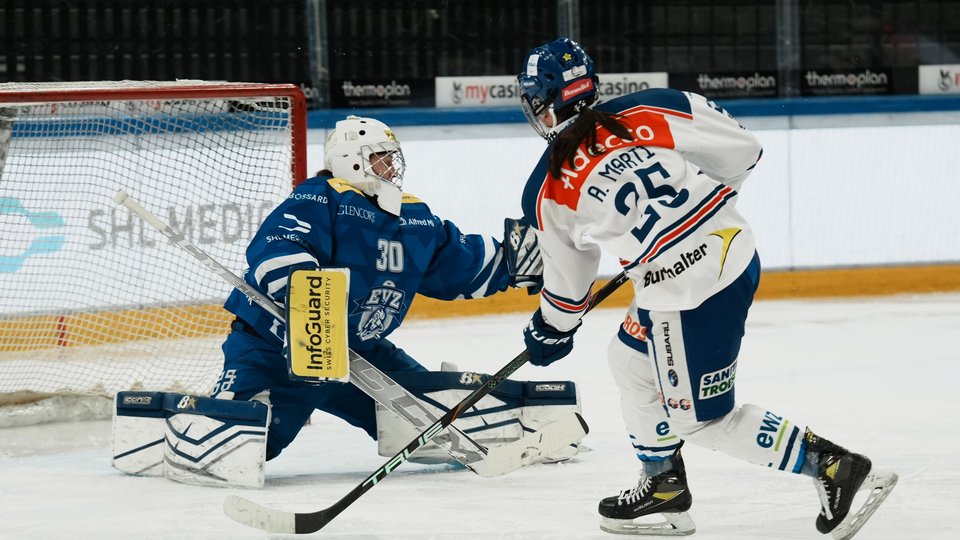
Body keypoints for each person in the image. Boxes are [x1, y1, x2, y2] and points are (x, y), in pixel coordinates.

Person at [515, 38, 897, 538]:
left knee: (703, 420)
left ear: (543, 105)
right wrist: (697, 213)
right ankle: (663, 485)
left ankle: (831, 465)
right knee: (629, 359)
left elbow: (568, 289)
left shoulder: (547, 186)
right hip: (732, 249)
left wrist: (551, 331)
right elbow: (744, 150)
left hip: (685, 295)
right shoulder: (650, 106)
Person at [111, 115, 581, 488]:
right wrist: (311, 302)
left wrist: (547, 254)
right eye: (380, 159)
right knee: (247, 442)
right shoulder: (320, 198)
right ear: (352, 161)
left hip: (362, 356)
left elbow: (464, 264)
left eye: (393, 159)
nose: (391, 168)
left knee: (429, 422)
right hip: (279, 351)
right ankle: (161, 416)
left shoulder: (414, 217)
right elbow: (275, 251)